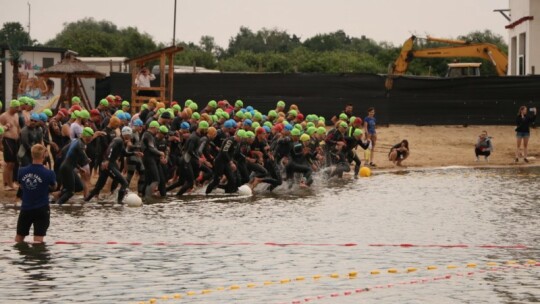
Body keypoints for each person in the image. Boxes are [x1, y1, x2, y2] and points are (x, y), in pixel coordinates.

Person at [15, 144, 56, 243]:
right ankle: (37, 257)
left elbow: (20, 185)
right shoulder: (49, 173)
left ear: (32, 155)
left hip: (26, 208)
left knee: (19, 238)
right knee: (38, 240)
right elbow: (54, 187)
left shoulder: (22, 171)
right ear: (43, 156)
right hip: (42, 208)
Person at [0, 100, 22, 191]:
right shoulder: (3, 116)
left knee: (13, 163)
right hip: (7, 140)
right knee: (8, 162)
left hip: (15, 141)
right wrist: (0, 143)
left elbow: (17, 127)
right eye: (16, 107)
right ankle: (5, 184)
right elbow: (0, 130)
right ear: (11, 107)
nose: (18, 109)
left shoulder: (16, 115)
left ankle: (11, 183)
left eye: (18, 107)